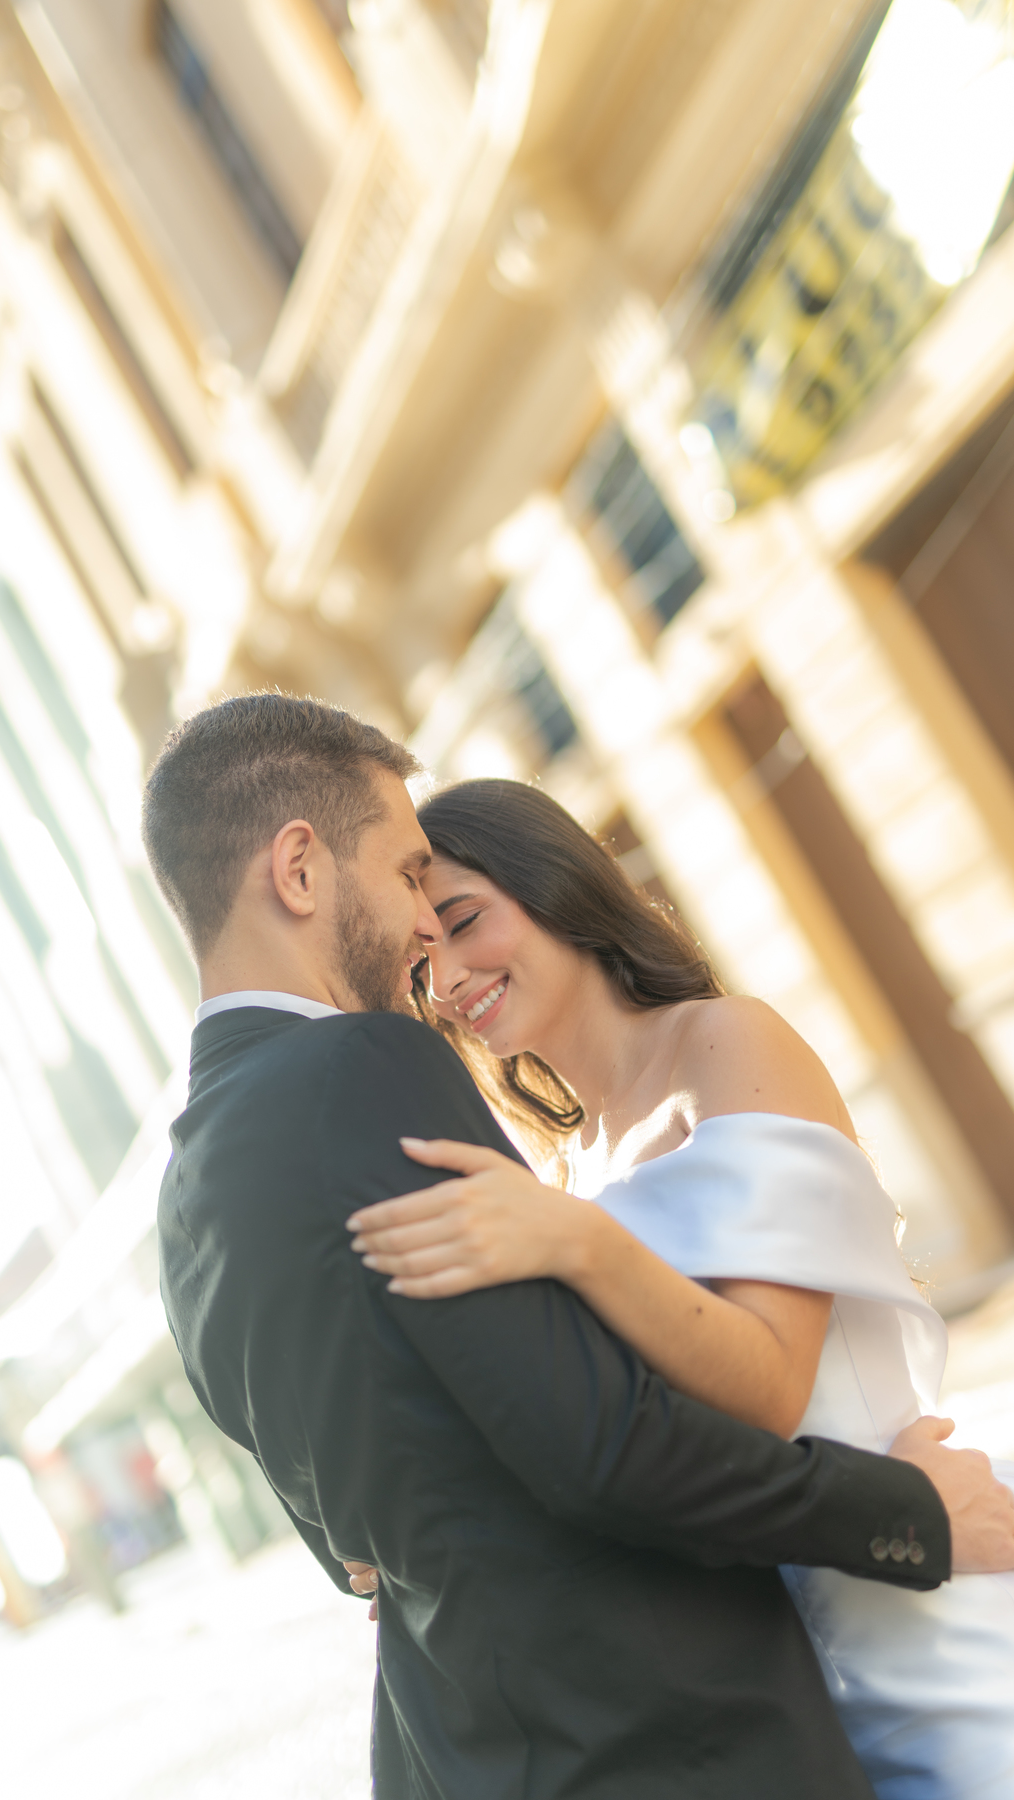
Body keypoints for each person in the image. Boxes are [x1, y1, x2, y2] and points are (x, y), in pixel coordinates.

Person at [143, 696, 1013, 1800]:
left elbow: (351, 1535)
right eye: (409, 880)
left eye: (456, 906)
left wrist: (577, 1244)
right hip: (683, 1722)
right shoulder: (379, 1081)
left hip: (820, 1655)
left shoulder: (189, 1192)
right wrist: (908, 1516)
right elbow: (596, 1443)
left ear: (557, 889)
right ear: (301, 870)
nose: (432, 952)